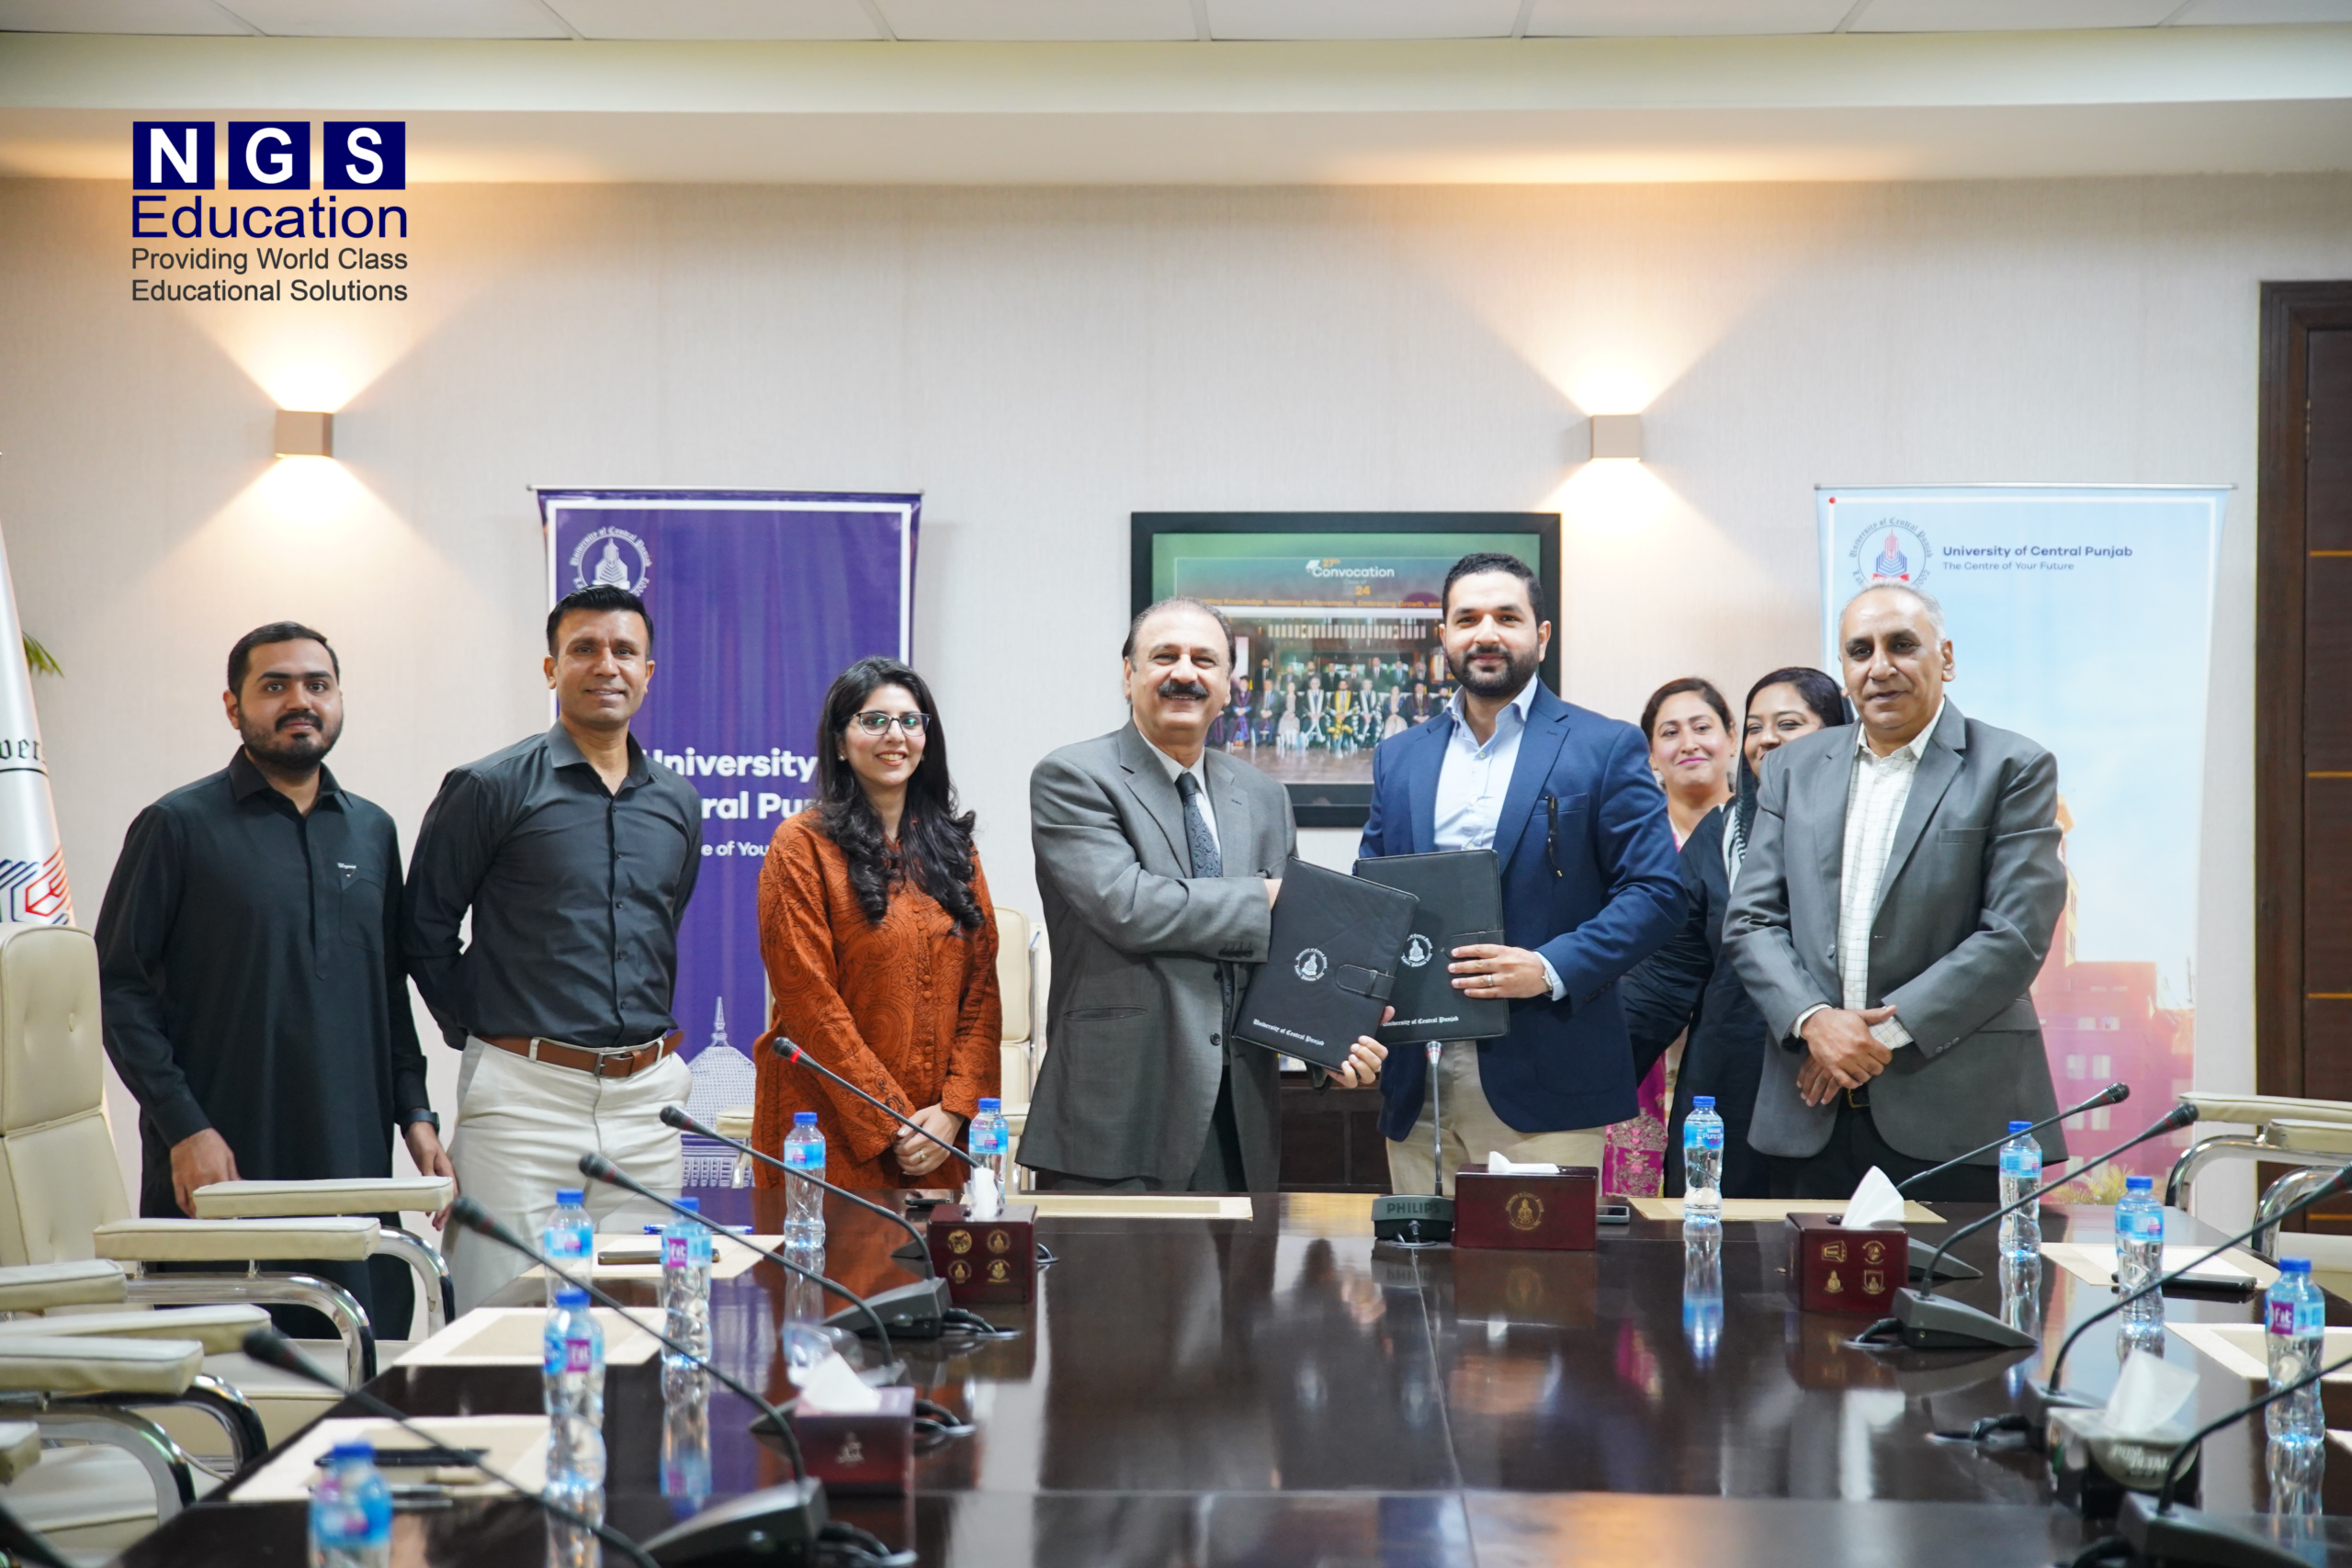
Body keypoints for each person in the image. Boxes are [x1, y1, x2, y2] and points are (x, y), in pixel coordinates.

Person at [96, 623, 448, 1339]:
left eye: (318, 684)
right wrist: (185, 1126)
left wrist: (416, 1113)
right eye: (275, 685)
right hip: (221, 1165)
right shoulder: (176, 826)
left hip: (350, 1166)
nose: (300, 701)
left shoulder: (372, 831)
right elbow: (115, 989)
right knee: (223, 1377)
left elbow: (386, 992)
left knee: (354, 1361)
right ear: (233, 706)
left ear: (338, 698)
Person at [403, 584, 703, 1310]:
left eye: (625, 651)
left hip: (647, 1105)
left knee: (642, 1323)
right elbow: (423, 931)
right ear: (551, 667)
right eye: (584, 649)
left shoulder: (678, 802)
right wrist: (484, 1027)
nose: (607, 665)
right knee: (500, 1324)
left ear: (648, 672)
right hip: (522, 1102)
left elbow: (663, 921)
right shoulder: (488, 787)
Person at [1020, 597, 1385, 1192]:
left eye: (1204, 660)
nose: (1184, 673)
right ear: (1128, 675)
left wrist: (1328, 1043)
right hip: (1118, 1113)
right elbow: (1129, 906)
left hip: (1241, 1118)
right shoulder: (1074, 776)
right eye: (1165, 656)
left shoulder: (1264, 796)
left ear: (1228, 686)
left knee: (1243, 1262)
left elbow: (1289, 948)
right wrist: (1266, 897)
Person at [1724, 584, 2068, 1201]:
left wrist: (1872, 1037)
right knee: (1807, 1268)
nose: (1880, 667)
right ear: (1844, 669)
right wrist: (1814, 1020)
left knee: (1957, 1269)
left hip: (1955, 1110)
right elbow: (1751, 920)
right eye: (1860, 651)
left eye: (1902, 645)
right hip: (1811, 1112)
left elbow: (2015, 935)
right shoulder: (1791, 768)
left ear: (1947, 658)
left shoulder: (2012, 766)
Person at [1358, 554, 1683, 1195]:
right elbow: (1371, 900)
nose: (1486, 633)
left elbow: (1656, 894)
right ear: (1444, 636)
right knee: (1416, 1262)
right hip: (1416, 1082)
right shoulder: (1399, 756)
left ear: (1542, 634)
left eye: (1507, 617)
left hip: (1548, 1076)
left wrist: (1549, 967)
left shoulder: (1604, 746)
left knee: (1539, 1262)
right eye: (1467, 619)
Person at [751, 658, 1001, 1190]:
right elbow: (809, 1001)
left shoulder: (956, 851)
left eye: (911, 721)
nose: (895, 735)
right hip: (825, 1126)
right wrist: (892, 1118)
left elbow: (981, 995)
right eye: (874, 720)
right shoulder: (800, 846)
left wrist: (953, 1112)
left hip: (937, 1135)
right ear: (840, 743)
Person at [1620, 667, 1847, 1200]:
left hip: (1848, 1081)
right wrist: (1573, 1072)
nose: (1766, 739)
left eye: (1788, 724)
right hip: (1731, 1087)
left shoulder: (1874, 827)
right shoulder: (1719, 834)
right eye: (1755, 727)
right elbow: (1663, 982)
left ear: (1839, 734)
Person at [1602, 677, 1737, 1200]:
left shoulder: (1764, 832)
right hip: (1641, 1038)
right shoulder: (1628, 841)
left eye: (1703, 727)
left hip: (1730, 1040)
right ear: (1651, 755)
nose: (1689, 743)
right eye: (1670, 733)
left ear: (1730, 736)